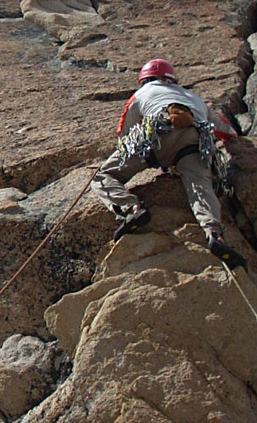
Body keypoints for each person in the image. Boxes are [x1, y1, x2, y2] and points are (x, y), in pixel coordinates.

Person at [92, 58, 247, 267]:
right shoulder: (194, 97)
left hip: (157, 135)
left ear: (145, 80)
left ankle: (132, 209)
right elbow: (226, 129)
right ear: (172, 79)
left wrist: (131, 158)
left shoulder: (141, 94)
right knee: (200, 186)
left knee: (102, 177)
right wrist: (234, 142)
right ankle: (214, 234)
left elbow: (124, 136)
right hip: (194, 141)